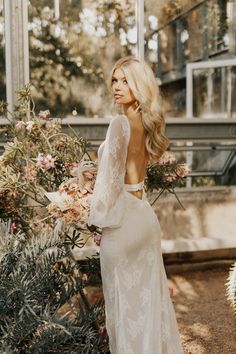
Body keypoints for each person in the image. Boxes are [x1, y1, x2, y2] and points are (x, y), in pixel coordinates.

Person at [87, 56, 184, 354]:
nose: (117, 87)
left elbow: (110, 187)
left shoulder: (119, 123)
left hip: (122, 221)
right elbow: (129, 173)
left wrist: (96, 220)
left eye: (125, 80)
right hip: (143, 218)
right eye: (115, 80)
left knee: (124, 310)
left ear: (138, 84)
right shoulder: (144, 122)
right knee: (149, 306)